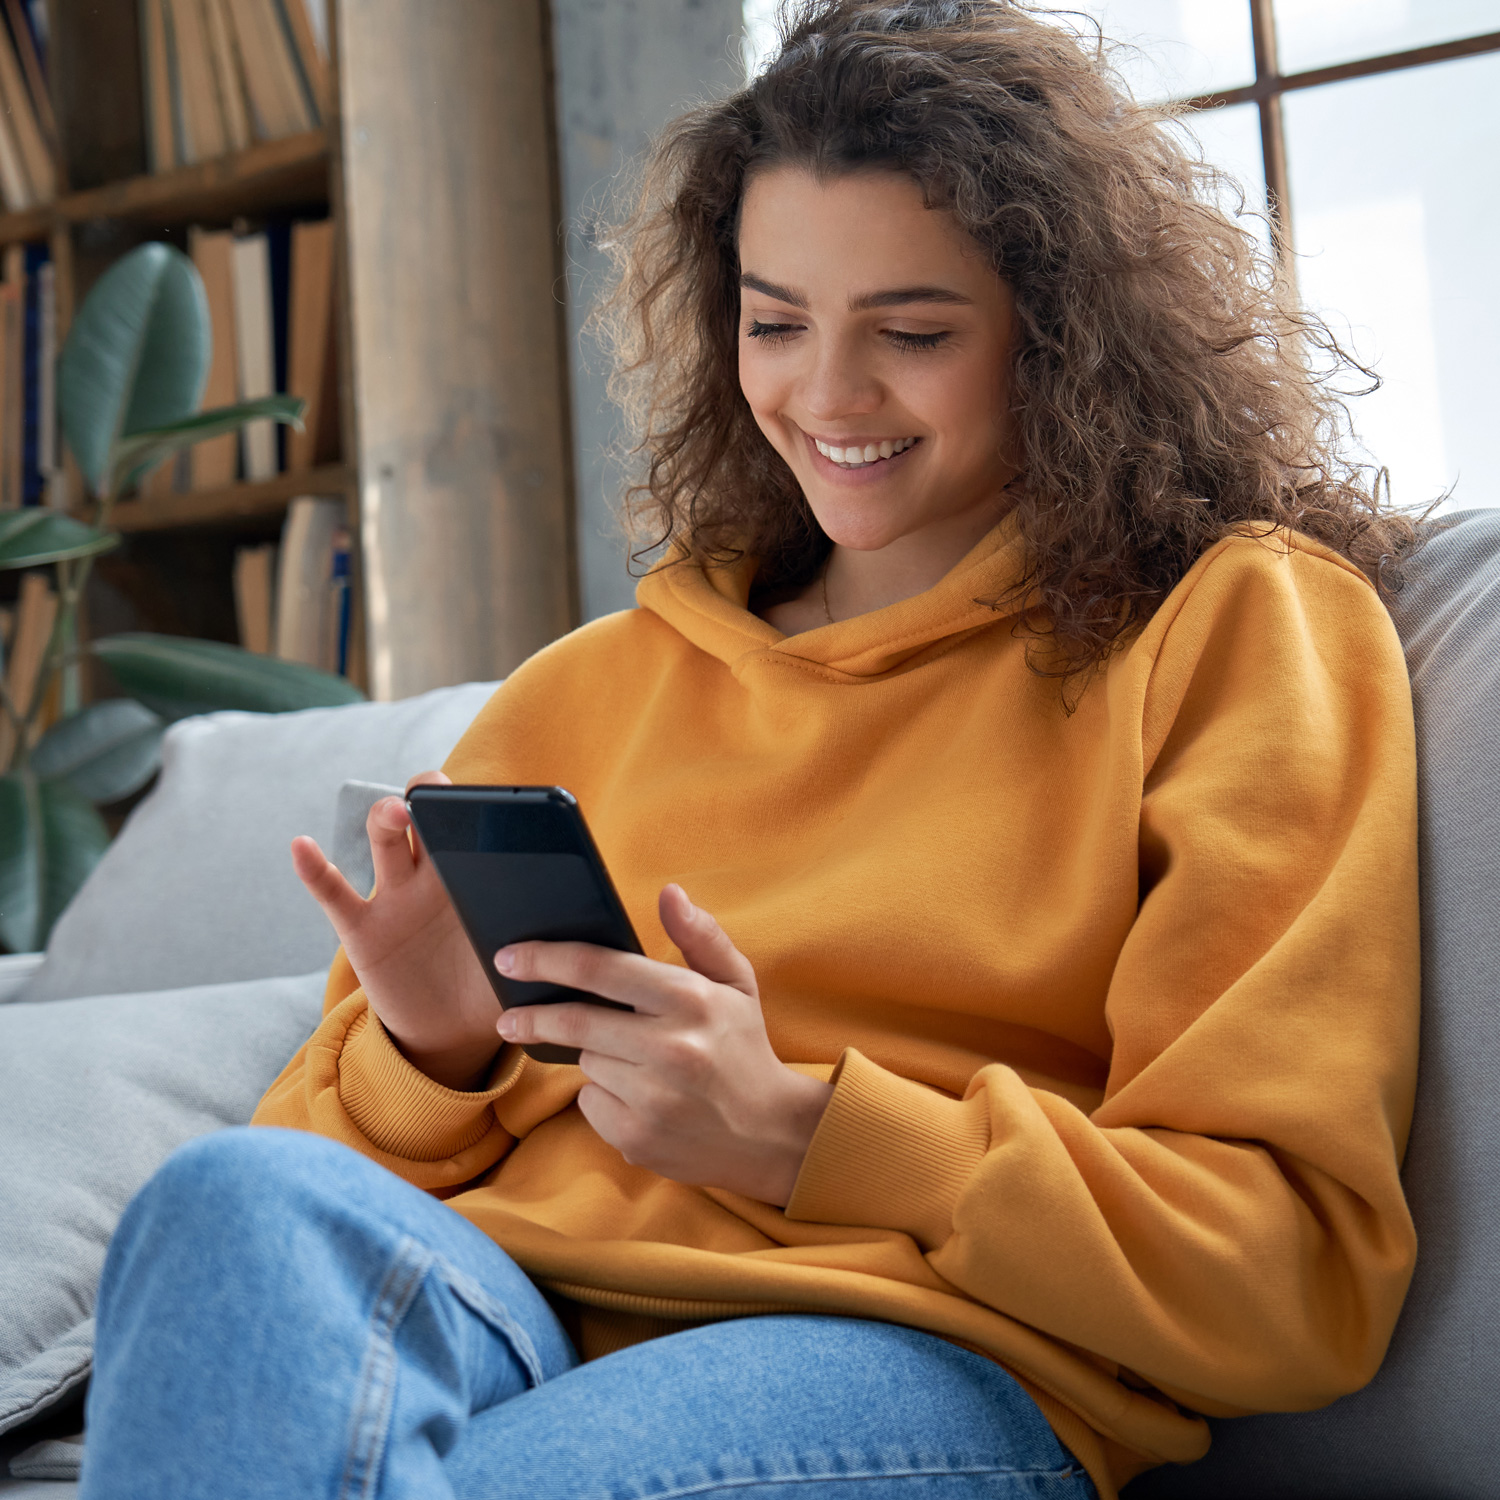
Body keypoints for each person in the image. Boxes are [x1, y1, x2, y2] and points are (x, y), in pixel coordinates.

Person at [78, 3, 1423, 1497]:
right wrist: (432, 1052)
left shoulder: (1232, 627)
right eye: (775, 322)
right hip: (509, 1304)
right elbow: (330, 1197)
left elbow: (1289, 1274)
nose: (829, 397)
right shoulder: (589, 689)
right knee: (230, 1202)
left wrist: (800, 1131)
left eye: (911, 333)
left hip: (907, 1343)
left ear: (1062, 337)